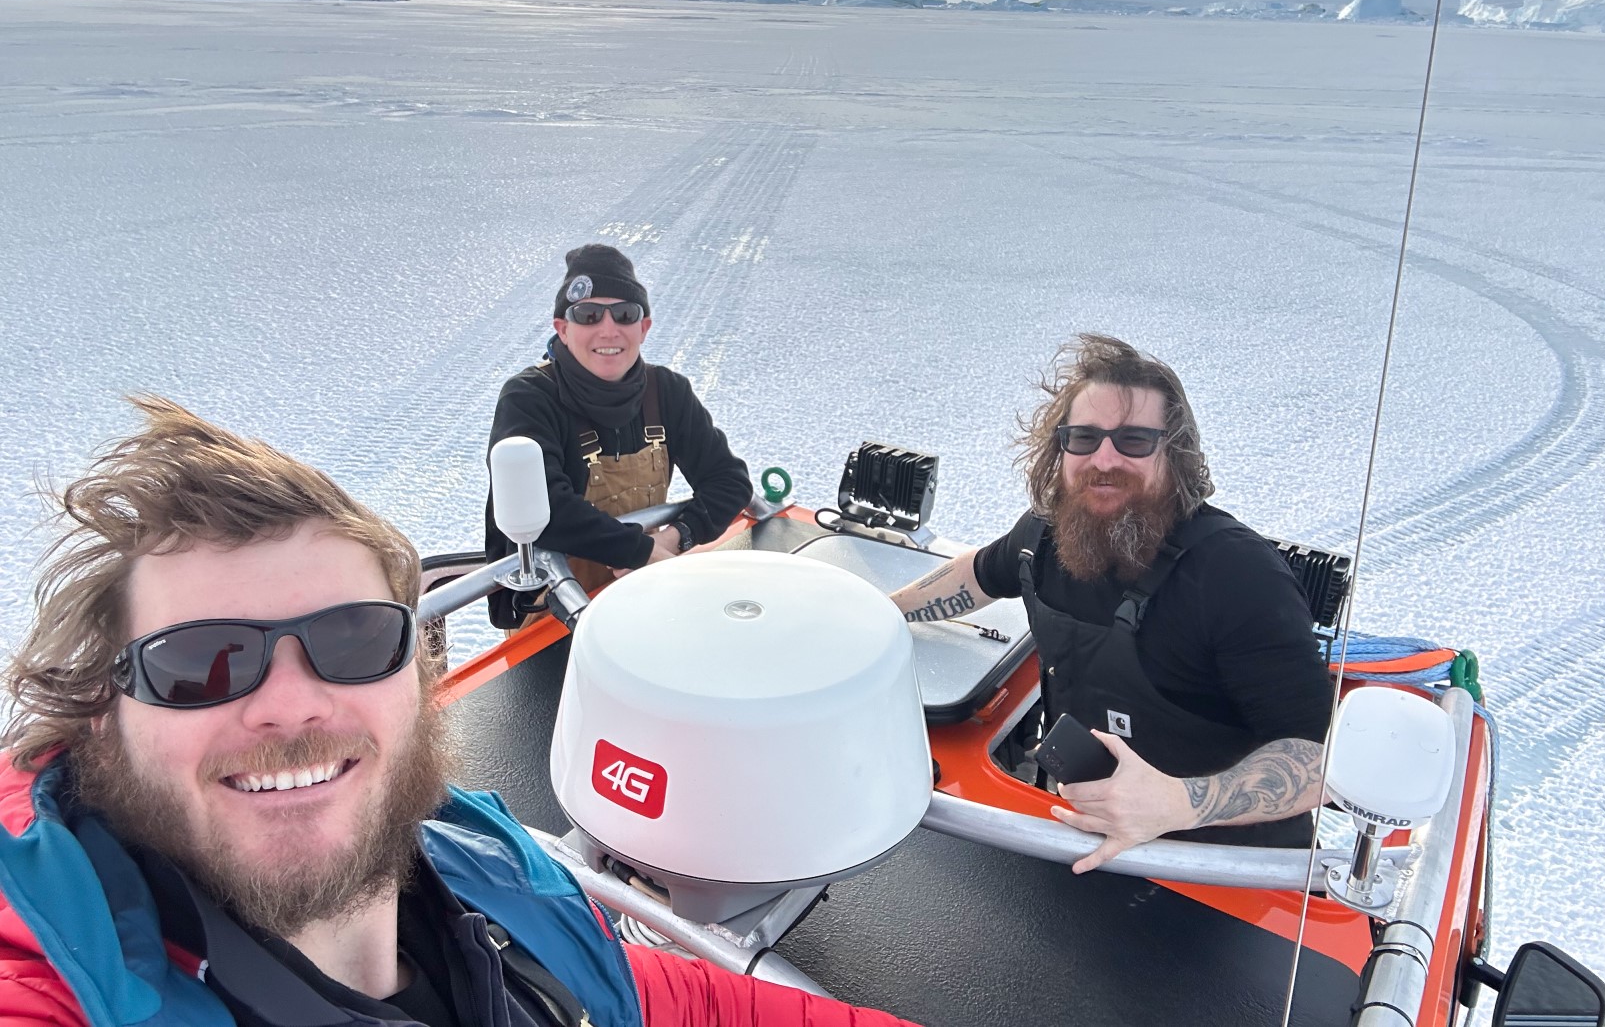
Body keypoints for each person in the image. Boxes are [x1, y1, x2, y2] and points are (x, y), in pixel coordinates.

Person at [0, 397, 919, 1026]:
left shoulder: (487, 873)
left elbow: (651, 995)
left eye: (353, 640)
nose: (288, 704)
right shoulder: (52, 980)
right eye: (203, 662)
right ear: (99, 713)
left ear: (414, 672)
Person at [890, 334, 1333, 872]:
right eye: (1084, 437)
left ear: (1176, 453)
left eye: (1133, 441)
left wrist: (1179, 803)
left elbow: (1321, 761)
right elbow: (977, 574)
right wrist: (884, 610)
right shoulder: (1043, 538)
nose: (1104, 458)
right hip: (1078, 831)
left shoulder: (1236, 575)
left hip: (1218, 867)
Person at [485, 244, 752, 630]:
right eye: (589, 315)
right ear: (563, 327)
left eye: (625, 314)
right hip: (551, 612)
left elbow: (729, 481)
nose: (608, 330)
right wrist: (641, 551)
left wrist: (675, 538)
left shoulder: (668, 392)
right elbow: (548, 510)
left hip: (640, 592)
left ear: (643, 327)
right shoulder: (528, 398)